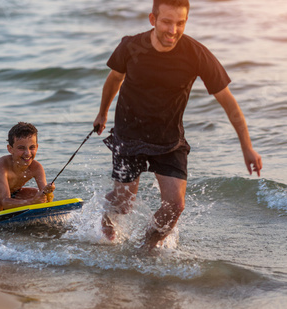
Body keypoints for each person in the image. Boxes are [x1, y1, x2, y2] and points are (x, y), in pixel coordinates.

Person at [93, 0, 262, 250]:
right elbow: (114, 79)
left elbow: (229, 102)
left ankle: (144, 250)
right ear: (153, 19)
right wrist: (102, 113)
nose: (173, 30)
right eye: (167, 22)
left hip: (169, 138)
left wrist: (247, 147)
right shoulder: (131, 46)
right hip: (129, 132)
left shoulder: (196, 53)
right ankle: (105, 215)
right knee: (123, 203)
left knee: (175, 206)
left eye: (180, 23)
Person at [0, 122, 55, 215]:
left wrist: (48, 192)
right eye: (21, 148)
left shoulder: (36, 167)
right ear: (10, 149)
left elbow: (47, 199)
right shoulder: (2, 165)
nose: (27, 153)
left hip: (12, 193)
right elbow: (5, 202)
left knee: (37, 194)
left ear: (37, 147)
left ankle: (11, 206)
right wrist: (31, 202)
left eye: (32, 147)